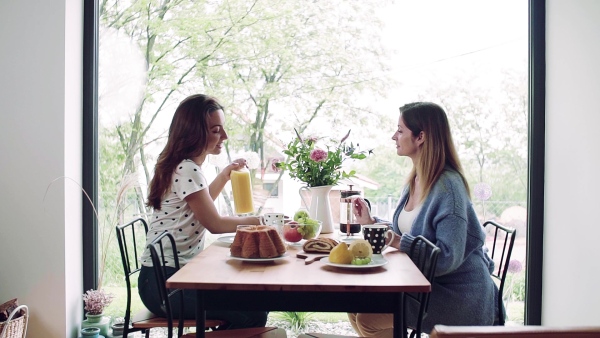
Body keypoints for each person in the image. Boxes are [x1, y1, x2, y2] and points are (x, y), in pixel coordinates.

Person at [349, 102, 499, 337]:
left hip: (456, 296)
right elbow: (410, 233)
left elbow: (446, 258)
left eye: (400, 130)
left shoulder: (448, 188)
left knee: (368, 317)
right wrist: (371, 222)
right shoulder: (416, 180)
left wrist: (398, 242)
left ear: (421, 137)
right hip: (424, 284)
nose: (393, 136)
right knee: (355, 306)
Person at [138, 94, 268, 330]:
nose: (225, 137)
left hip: (166, 278)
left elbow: (200, 205)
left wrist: (224, 175)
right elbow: (215, 224)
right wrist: (263, 221)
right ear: (195, 132)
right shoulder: (187, 169)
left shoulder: (183, 165)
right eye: (217, 130)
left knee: (249, 300)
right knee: (252, 311)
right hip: (165, 286)